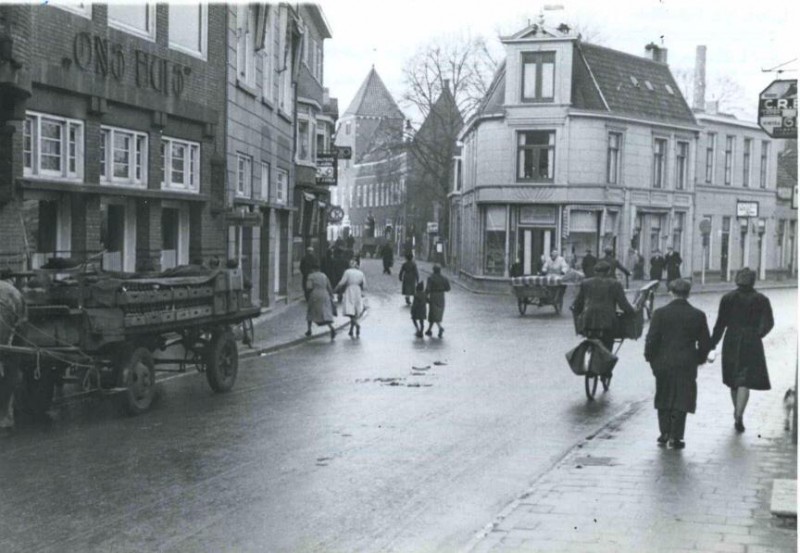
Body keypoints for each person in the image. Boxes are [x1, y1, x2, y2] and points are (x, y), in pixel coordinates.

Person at [644, 279, 711, 449]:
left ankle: (664, 432)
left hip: (663, 361)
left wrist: (651, 358)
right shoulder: (698, 315)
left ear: (671, 293)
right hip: (686, 362)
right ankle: (676, 436)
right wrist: (698, 359)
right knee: (682, 397)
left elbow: (651, 340)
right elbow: (705, 344)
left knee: (664, 395)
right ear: (688, 294)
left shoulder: (660, 313)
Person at [709, 267, 774, 433]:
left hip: (731, 339)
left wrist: (712, 344)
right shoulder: (761, 299)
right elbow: (769, 322)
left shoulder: (727, 298)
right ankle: (739, 413)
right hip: (751, 341)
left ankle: (737, 413)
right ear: (753, 281)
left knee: (733, 379)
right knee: (745, 379)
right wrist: (758, 334)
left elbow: (720, 324)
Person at [571, 260, 635, 372]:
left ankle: (590, 356)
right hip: (608, 321)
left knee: (590, 338)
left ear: (595, 271)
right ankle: (607, 371)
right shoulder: (615, 284)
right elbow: (623, 304)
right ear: (609, 271)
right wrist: (631, 311)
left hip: (588, 320)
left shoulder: (586, 283)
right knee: (608, 343)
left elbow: (578, 303)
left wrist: (578, 314)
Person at [0, 278, 26, 436]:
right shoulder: (13, 291)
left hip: (7, 334)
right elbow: (22, 322)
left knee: (7, 375)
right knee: (8, 375)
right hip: (9, 337)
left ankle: (5, 418)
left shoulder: (11, 292)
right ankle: (5, 419)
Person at [304, 261, 336, 340]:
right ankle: (331, 327)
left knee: (311, 312)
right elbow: (329, 286)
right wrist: (331, 295)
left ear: (313, 269)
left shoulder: (311, 276)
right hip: (325, 294)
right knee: (325, 313)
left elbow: (309, 287)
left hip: (315, 294)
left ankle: (309, 330)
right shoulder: (324, 275)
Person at [336, 258, 366, 338]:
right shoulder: (360, 273)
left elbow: (342, 282)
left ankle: (356, 325)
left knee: (350, 310)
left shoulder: (347, 272)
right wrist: (362, 291)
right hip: (357, 290)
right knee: (356, 310)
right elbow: (364, 284)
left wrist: (336, 288)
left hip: (350, 290)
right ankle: (351, 330)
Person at [425, 264, 451, 338]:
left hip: (433, 296)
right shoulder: (444, 278)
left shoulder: (430, 278)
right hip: (441, 296)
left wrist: (425, 296)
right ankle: (429, 330)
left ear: (433, 270)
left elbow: (428, 289)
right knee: (436, 313)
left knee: (433, 313)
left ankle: (440, 328)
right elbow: (448, 288)